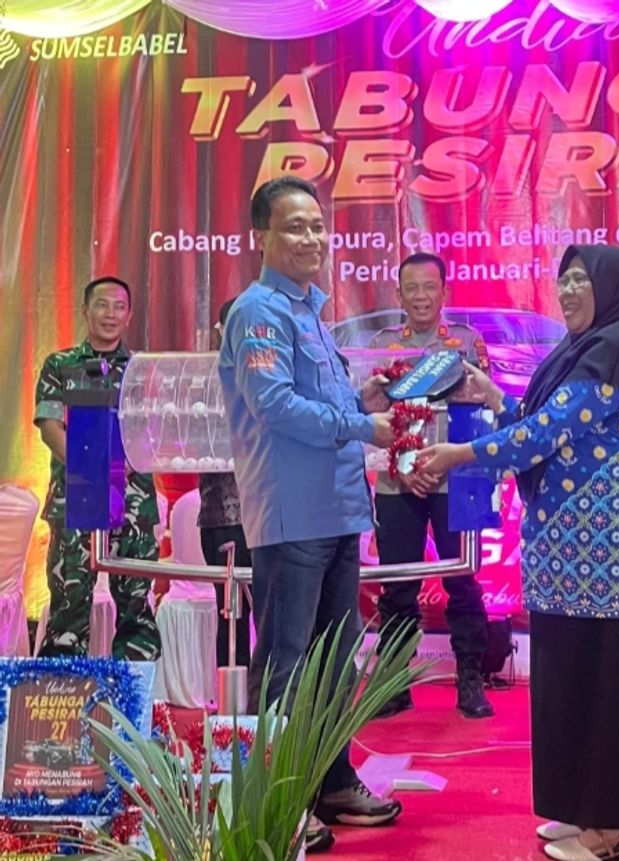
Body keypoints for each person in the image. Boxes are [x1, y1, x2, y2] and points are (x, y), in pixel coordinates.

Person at [418, 245, 619, 861]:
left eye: (582, 279)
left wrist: (461, 455)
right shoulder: (580, 351)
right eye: (564, 279)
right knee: (570, 677)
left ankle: (612, 827)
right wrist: (493, 397)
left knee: (605, 682)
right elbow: (542, 421)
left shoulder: (616, 351)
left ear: (613, 288)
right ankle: (586, 808)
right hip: (566, 550)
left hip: (606, 551)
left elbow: (544, 433)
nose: (569, 290)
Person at [218, 177, 399, 843]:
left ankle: (332, 782)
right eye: (294, 226)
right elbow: (275, 406)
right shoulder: (257, 313)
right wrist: (360, 426)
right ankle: (276, 801)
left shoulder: (309, 313)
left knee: (335, 661)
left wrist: (364, 401)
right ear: (260, 237)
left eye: (317, 226)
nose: (310, 238)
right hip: (291, 516)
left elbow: (319, 402)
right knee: (286, 663)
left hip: (339, 511)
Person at [369, 251, 494, 720]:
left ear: (445, 292)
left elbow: (482, 406)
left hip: (455, 481)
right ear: (398, 295)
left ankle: (470, 678)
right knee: (397, 586)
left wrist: (442, 464)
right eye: (411, 288)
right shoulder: (382, 345)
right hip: (396, 481)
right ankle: (395, 681)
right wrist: (405, 465)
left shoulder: (467, 342)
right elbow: (370, 413)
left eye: (429, 287)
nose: (421, 296)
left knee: (463, 580)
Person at [34, 276, 161, 660]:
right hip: (75, 496)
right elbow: (49, 426)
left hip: (133, 502)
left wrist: (118, 470)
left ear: (129, 315)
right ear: (85, 310)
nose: (110, 314)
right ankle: (62, 691)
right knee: (68, 608)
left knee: (136, 608)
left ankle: (132, 690)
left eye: (119, 307)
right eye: (102, 305)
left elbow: (153, 430)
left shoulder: (142, 369)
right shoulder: (60, 364)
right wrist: (89, 471)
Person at [198, 298, 252, 670]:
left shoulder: (279, 370)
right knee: (230, 615)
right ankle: (233, 696)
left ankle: (276, 696)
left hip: (276, 514)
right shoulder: (202, 377)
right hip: (224, 515)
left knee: (278, 615)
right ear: (220, 331)